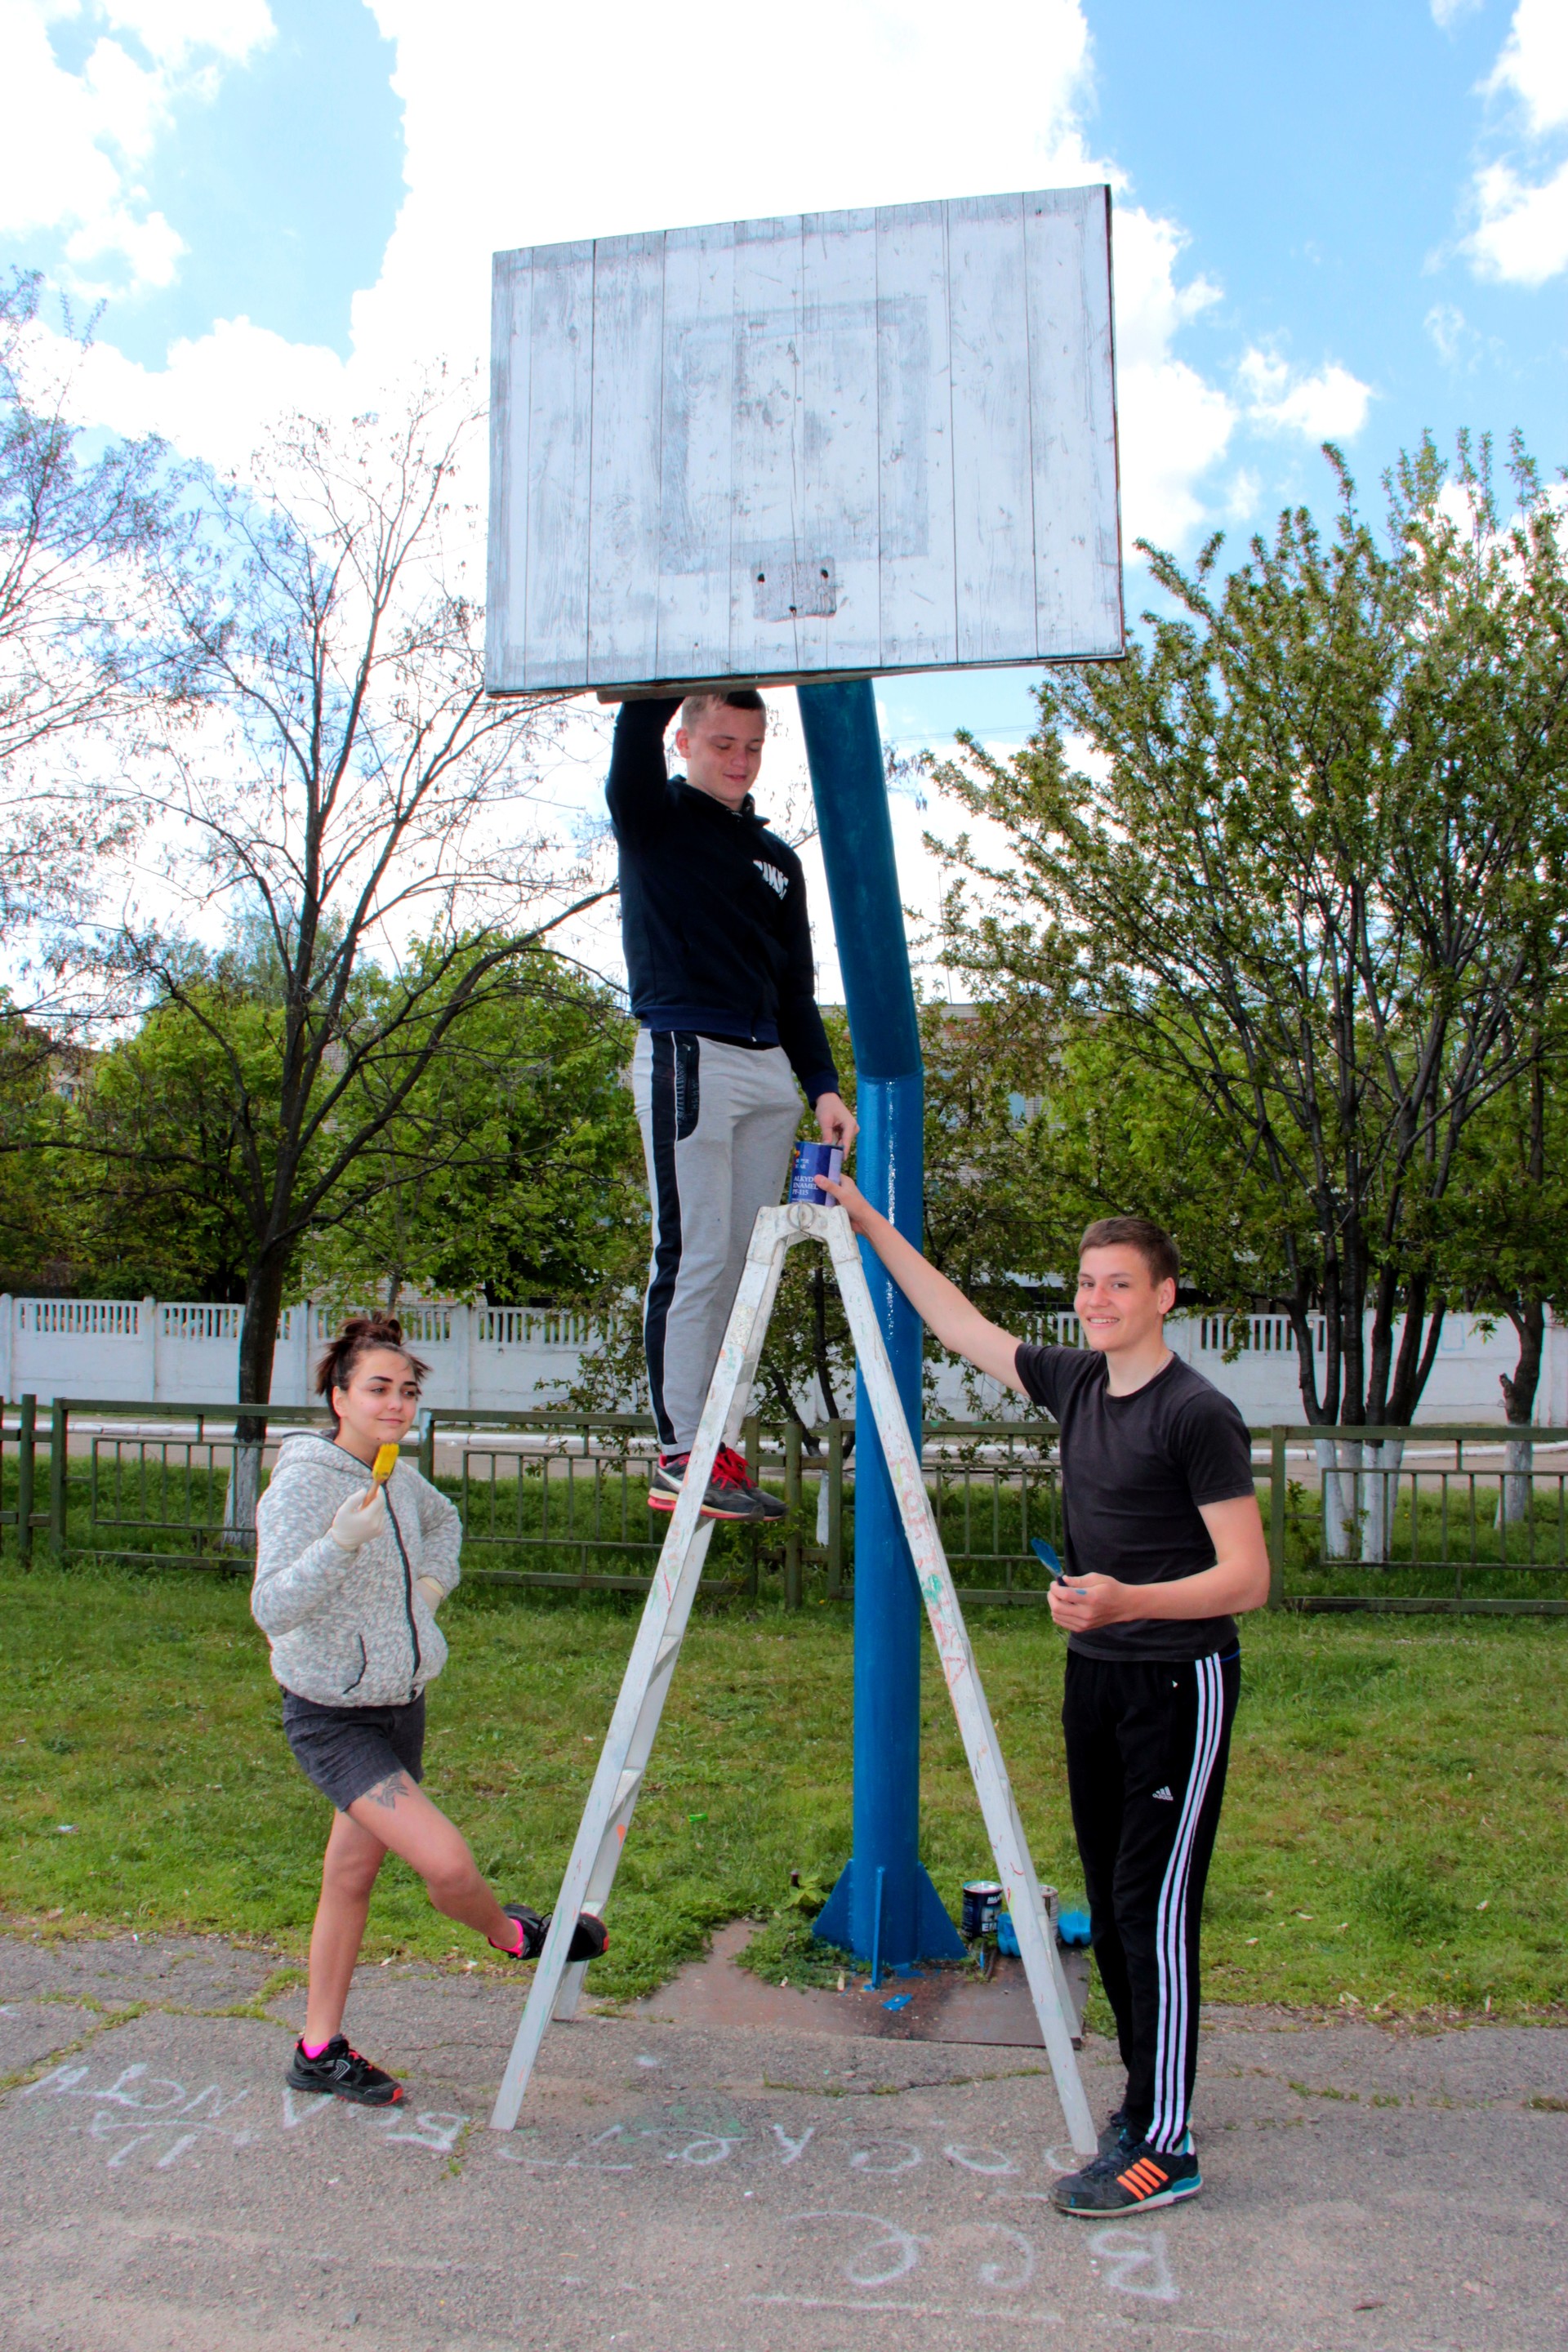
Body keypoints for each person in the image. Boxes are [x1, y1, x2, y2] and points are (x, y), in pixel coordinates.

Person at [817, 1178, 1269, 2216]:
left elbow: (1247, 1578)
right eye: (1085, 1283)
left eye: (1119, 1283)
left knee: (1152, 1912)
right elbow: (957, 1320)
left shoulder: (1199, 1412)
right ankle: (1148, 2100)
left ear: (1164, 1296)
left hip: (1176, 1683)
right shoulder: (1073, 1382)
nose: (1096, 1299)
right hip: (1096, 1678)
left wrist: (1123, 1602)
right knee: (1112, 1914)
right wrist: (862, 1213)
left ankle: (1168, 2142)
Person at [252, 1314, 606, 2106]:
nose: (396, 1404)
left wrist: (432, 1591)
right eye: (378, 1388)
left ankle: (317, 2050)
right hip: (334, 1719)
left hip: (399, 1704)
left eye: (408, 1391)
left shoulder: (395, 1476)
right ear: (339, 1395)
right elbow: (271, 1607)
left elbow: (446, 1523)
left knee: (348, 1877)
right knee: (445, 1864)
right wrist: (339, 1544)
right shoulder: (307, 1482)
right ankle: (517, 1937)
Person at [608, 688, 857, 1521]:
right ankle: (681, 1451)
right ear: (684, 741)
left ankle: (723, 1442)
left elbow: (796, 987)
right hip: (687, 1052)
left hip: (768, 1071)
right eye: (722, 743)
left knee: (753, 1269)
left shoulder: (780, 862)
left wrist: (822, 1084)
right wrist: (660, 665)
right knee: (696, 1254)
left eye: (752, 745)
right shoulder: (655, 820)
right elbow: (632, 740)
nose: (739, 760)